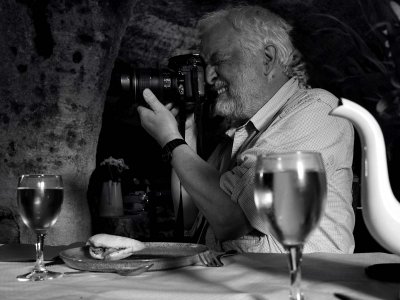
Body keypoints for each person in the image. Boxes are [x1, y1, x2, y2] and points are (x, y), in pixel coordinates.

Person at [137, 5, 355, 253]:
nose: (208, 78)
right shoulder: (236, 138)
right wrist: (185, 127)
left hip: (299, 286)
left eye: (219, 60)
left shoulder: (317, 110)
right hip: (236, 286)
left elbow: (232, 219)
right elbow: (190, 213)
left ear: (267, 59)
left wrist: (171, 141)